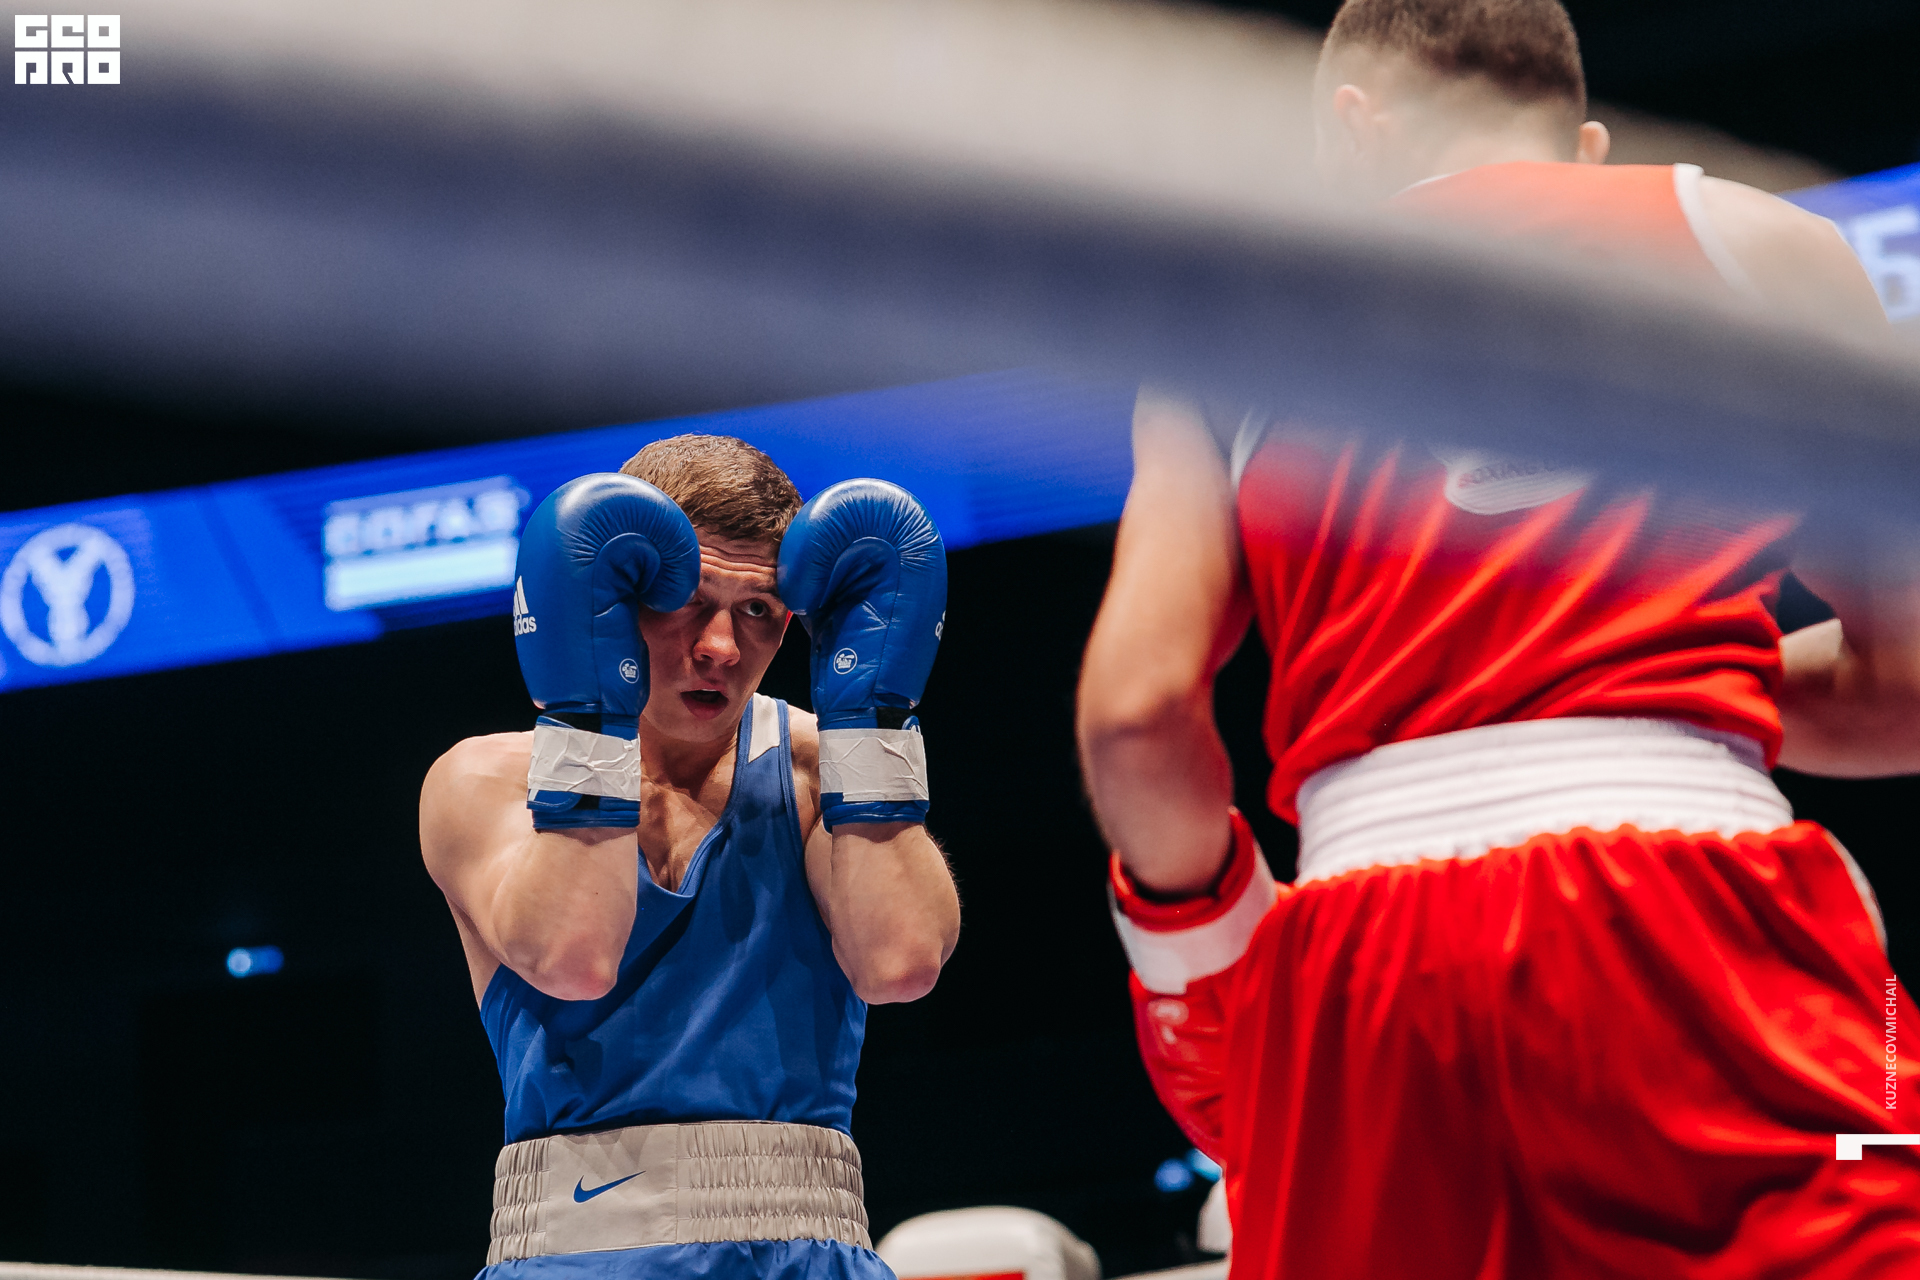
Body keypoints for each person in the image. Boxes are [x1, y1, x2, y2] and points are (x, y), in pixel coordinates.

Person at [1076, 2, 1920, 1276]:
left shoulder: (1222, 336)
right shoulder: (1759, 247)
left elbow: (1135, 714)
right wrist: (1661, 686)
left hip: (1362, 952)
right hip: (1697, 902)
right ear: (1583, 143)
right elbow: (1906, 681)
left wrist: (1192, 953)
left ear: (1352, 131)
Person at [421, 435, 960, 1280]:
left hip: (809, 1251)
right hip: (575, 1257)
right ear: (615, 591)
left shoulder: (824, 769)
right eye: (690, 602)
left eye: (759, 610)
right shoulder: (485, 783)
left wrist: (872, 719)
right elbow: (574, 958)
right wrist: (591, 717)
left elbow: (901, 964)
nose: (721, 647)